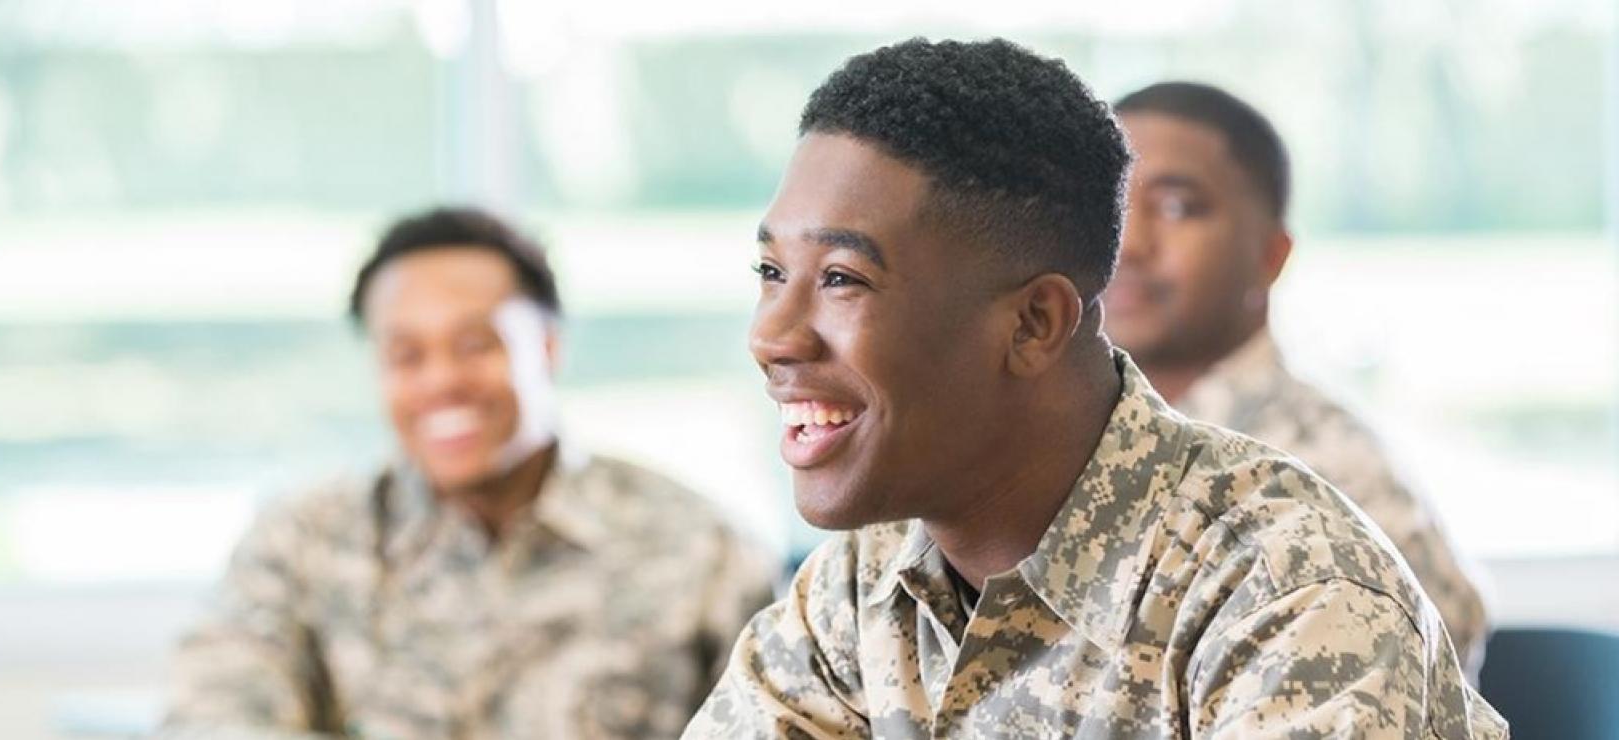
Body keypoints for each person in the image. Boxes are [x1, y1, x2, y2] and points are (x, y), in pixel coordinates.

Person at [683, 38, 1506, 737]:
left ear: (1035, 324)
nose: (771, 336)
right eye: (769, 271)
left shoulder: (1287, 590)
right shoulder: (862, 585)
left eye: (840, 277)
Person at [161, 207, 774, 739]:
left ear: (547, 348)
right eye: (406, 355)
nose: (442, 381)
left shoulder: (699, 549)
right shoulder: (299, 545)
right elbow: (207, 724)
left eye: (477, 345)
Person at [1106, 81, 1490, 671]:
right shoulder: (1064, 440)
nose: (1127, 243)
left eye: (1178, 207)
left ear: (1270, 256)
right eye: (1108, 205)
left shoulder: (1334, 472)